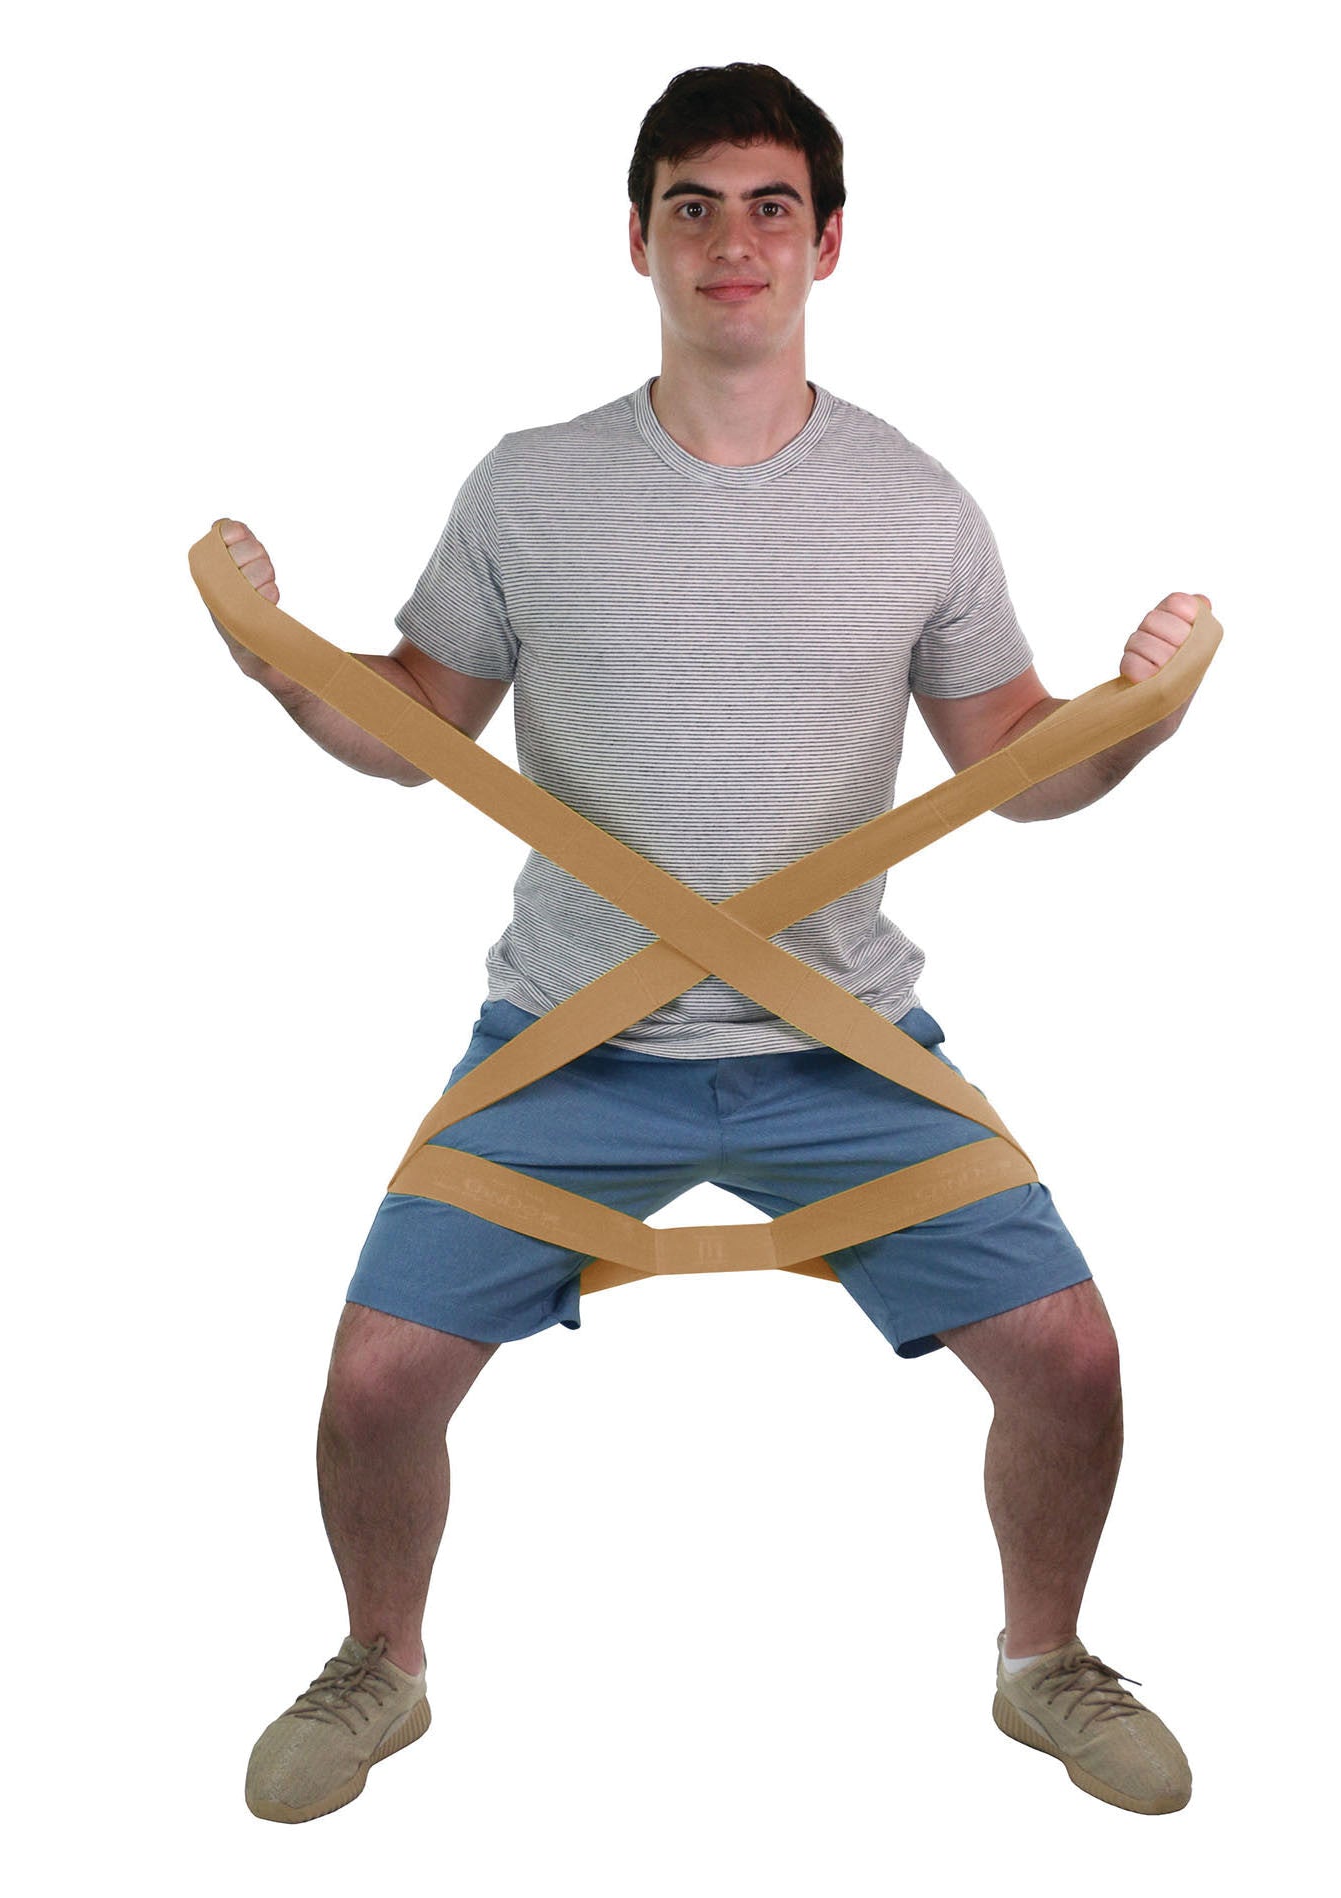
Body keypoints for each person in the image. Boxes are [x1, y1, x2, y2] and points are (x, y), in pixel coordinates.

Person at [209, 63, 1207, 1824]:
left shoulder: (915, 500)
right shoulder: (528, 488)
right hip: (570, 1040)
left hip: (844, 1046)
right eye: (692, 206)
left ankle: (1042, 1660)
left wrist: (1133, 720)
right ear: (637, 239)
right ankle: (382, 1658)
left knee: (1073, 1357)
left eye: (766, 207)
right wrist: (275, 649)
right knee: (374, 1378)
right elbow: (415, 722)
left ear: (825, 242)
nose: (729, 242)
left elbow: (1014, 766)